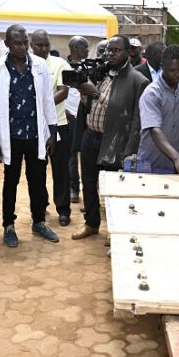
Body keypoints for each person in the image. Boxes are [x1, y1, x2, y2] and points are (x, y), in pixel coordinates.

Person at [71, 34, 149, 241]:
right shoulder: (103, 74)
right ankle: (91, 224)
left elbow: (132, 118)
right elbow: (90, 106)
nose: (110, 54)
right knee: (88, 184)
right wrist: (85, 95)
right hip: (91, 137)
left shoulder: (138, 81)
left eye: (116, 50)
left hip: (114, 142)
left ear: (127, 52)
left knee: (113, 190)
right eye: (108, 50)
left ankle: (114, 232)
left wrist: (95, 93)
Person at [0, 25, 59, 247]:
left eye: (25, 43)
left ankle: (38, 222)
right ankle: (9, 225)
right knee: (10, 181)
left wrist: (53, 130)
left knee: (37, 181)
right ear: (7, 44)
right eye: (16, 43)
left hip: (36, 134)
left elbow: (47, 98)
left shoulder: (38, 65)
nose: (21, 47)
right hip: (11, 135)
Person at [31, 29, 72, 226]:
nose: (44, 49)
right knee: (37, 170)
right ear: (32, 45)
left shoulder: (60, 64)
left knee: (61, 169)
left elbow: (63, 91)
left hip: (59, 124)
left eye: (46, 45)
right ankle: (40, 206)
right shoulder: (26, 64)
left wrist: (40, 106)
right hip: (34, 128)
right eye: (39, 45)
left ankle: (63, 209)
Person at [136, 45, 179, 177]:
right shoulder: (151, 93)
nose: (178, 74)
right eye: (172, 70)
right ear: (162, 66)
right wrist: (176, 158)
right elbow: (154, 129)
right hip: (151, 163)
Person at [66, 35, 88, 203]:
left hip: (86, 115)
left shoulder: (90, 67)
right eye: (84, 47)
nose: (87, 50)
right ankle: (74, 187)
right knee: (71, 154)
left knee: (87, 154)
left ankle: (90, 189)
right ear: (74, 48)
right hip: (70, 116)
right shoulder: (64, 67)